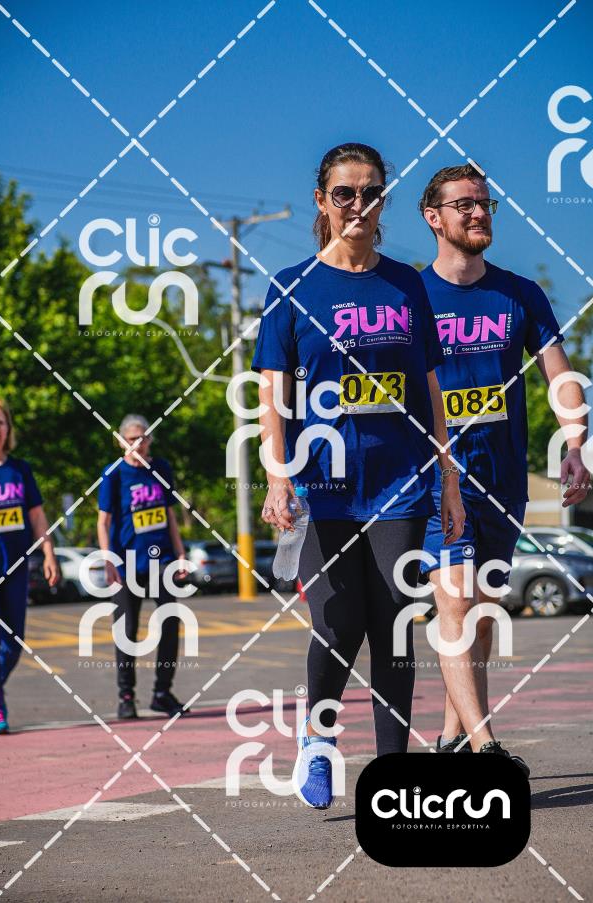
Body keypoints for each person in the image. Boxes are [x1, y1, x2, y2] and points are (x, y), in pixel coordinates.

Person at [252, 143, 464, 809]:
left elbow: (431, 387)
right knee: (338, 623)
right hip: (325, 486)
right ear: (322, 201)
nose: (358, 205)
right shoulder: (291, 287)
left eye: (371, 192)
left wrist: (448, 478)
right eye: (344, 193)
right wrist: (277, 476)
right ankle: (318, 740)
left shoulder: (406, 284)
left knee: (394, 624)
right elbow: (271, 395)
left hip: (401, 483)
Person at [418, 163, 591, 772]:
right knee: (456, 603)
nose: (478, 212)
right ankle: (485, 746)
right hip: (439, 478)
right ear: (433, 217)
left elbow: (560, 375)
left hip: (503, 477)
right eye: (464, 204)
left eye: (485, 203)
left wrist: (576, 444)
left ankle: (451, 738)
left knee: (482, 612)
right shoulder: (411, 296)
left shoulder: (520, 294)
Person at [97, 414, 190, 720]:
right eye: (132, 439)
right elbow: (103, 521)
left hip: (161, 561)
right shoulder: (113, 474)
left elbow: (169, 515)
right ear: (121, 442)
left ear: (149, 440)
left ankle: (162, 693)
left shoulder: (160, 469)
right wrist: (108, 559)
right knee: (127, 631)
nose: (138, 444)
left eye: (143, 438)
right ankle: (126, 695)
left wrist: (180, 553)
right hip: (126, 564)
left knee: (169, 625)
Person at [0, 397, 59, 734]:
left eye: (1, 422)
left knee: (14, 640)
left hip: (16, 564)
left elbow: (36, 515)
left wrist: (48, 552)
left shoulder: (20, 470)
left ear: (9, 429)